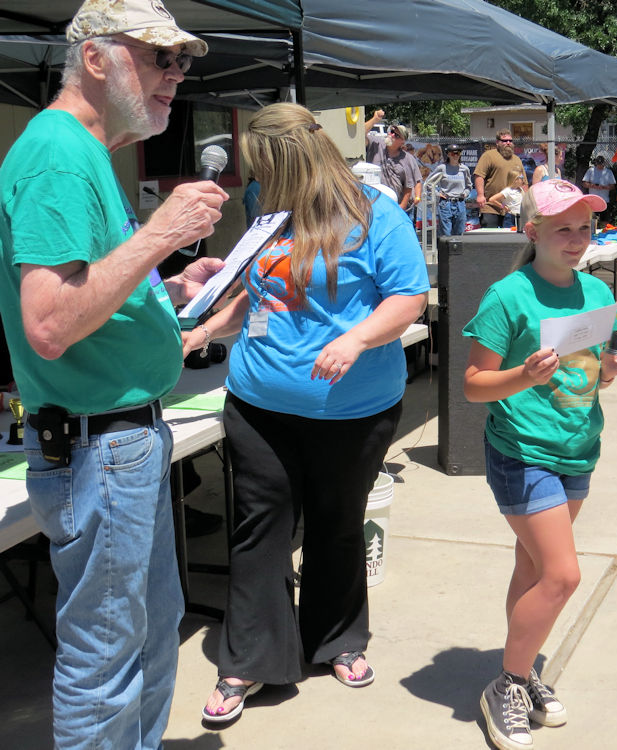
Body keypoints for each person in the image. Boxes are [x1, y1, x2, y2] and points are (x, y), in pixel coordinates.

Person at [0, 2, 229, 747]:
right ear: (96, 58)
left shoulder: (86, 152)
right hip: (99, 447)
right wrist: (162, 233)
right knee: (107, 658)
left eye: (182, 61)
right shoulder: (59, 154)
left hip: (119, 443)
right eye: (159, 56)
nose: (176, 74)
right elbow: (49, 322)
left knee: (149, 634)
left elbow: (93, 287)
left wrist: (170, 288)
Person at [196, 103, 429, 722]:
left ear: (291, 161)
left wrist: (356, 339)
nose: (258, 181)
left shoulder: (375, 214)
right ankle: (249, 659)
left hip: (354, 410)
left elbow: (409, 297)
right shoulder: (269, 214)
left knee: (337, 522)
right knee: (260, 528)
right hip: (258, 405)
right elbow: (257, 292)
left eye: (264, 168)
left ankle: (337, 640)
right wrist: (205, 331)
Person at [462, 179, 617, 750]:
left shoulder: (596, 291)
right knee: (563, 576)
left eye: (584, 228)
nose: (576, 239)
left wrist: (613, 369)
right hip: (522, 451)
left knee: (534, 568)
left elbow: (589, 375)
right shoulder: (508, 296)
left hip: (577, 447)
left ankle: (521, 668)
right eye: (562, 228)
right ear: (531, 231)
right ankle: (509, 684)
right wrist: (523, 375)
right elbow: (473, 386)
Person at [364, 111, 416, 214]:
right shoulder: (376, 144)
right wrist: (375, 119)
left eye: (396, 135)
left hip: (394, 206)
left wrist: (401, 208)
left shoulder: (407, 159)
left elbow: (408, 187)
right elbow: (360, 134)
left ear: (402, 141)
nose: (391, 135)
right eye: (391, 131)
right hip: (373, 205)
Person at [475, 130, 527, 228]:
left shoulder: (517, 159)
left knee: (511, 236)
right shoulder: (489, 156)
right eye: (504, 141)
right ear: (497, 142)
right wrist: (480, 195)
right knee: (490, 235)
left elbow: (524, 183)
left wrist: (526, 201)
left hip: (511, 211)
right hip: (491, 207)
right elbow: (479, 175)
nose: (508, 143)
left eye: (510, 141)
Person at [430, 144, 472, 236]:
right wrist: (437, 193)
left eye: (458, 153)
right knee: (446, 233)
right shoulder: (442, 168)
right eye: (453, 154)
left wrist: (465, 193)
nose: (455, 156)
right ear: (448, 154)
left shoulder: (464, 169)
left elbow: (469, 186)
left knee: (460, 232)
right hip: (446, 203)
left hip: (460, 203)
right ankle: (445, 245)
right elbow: (429, 183)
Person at [582, 155, 616, 219]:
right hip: (593, 200)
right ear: (596, 163)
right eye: (598, 164)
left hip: (604, 200)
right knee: (592, 220)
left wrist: (604, 187)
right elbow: (584, 184)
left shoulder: (608, 172)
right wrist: (592, 186)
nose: (600, 166)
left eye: (601, 164)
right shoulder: (591, 171)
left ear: (604, 163)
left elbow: (613, 186)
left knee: (605, 220)